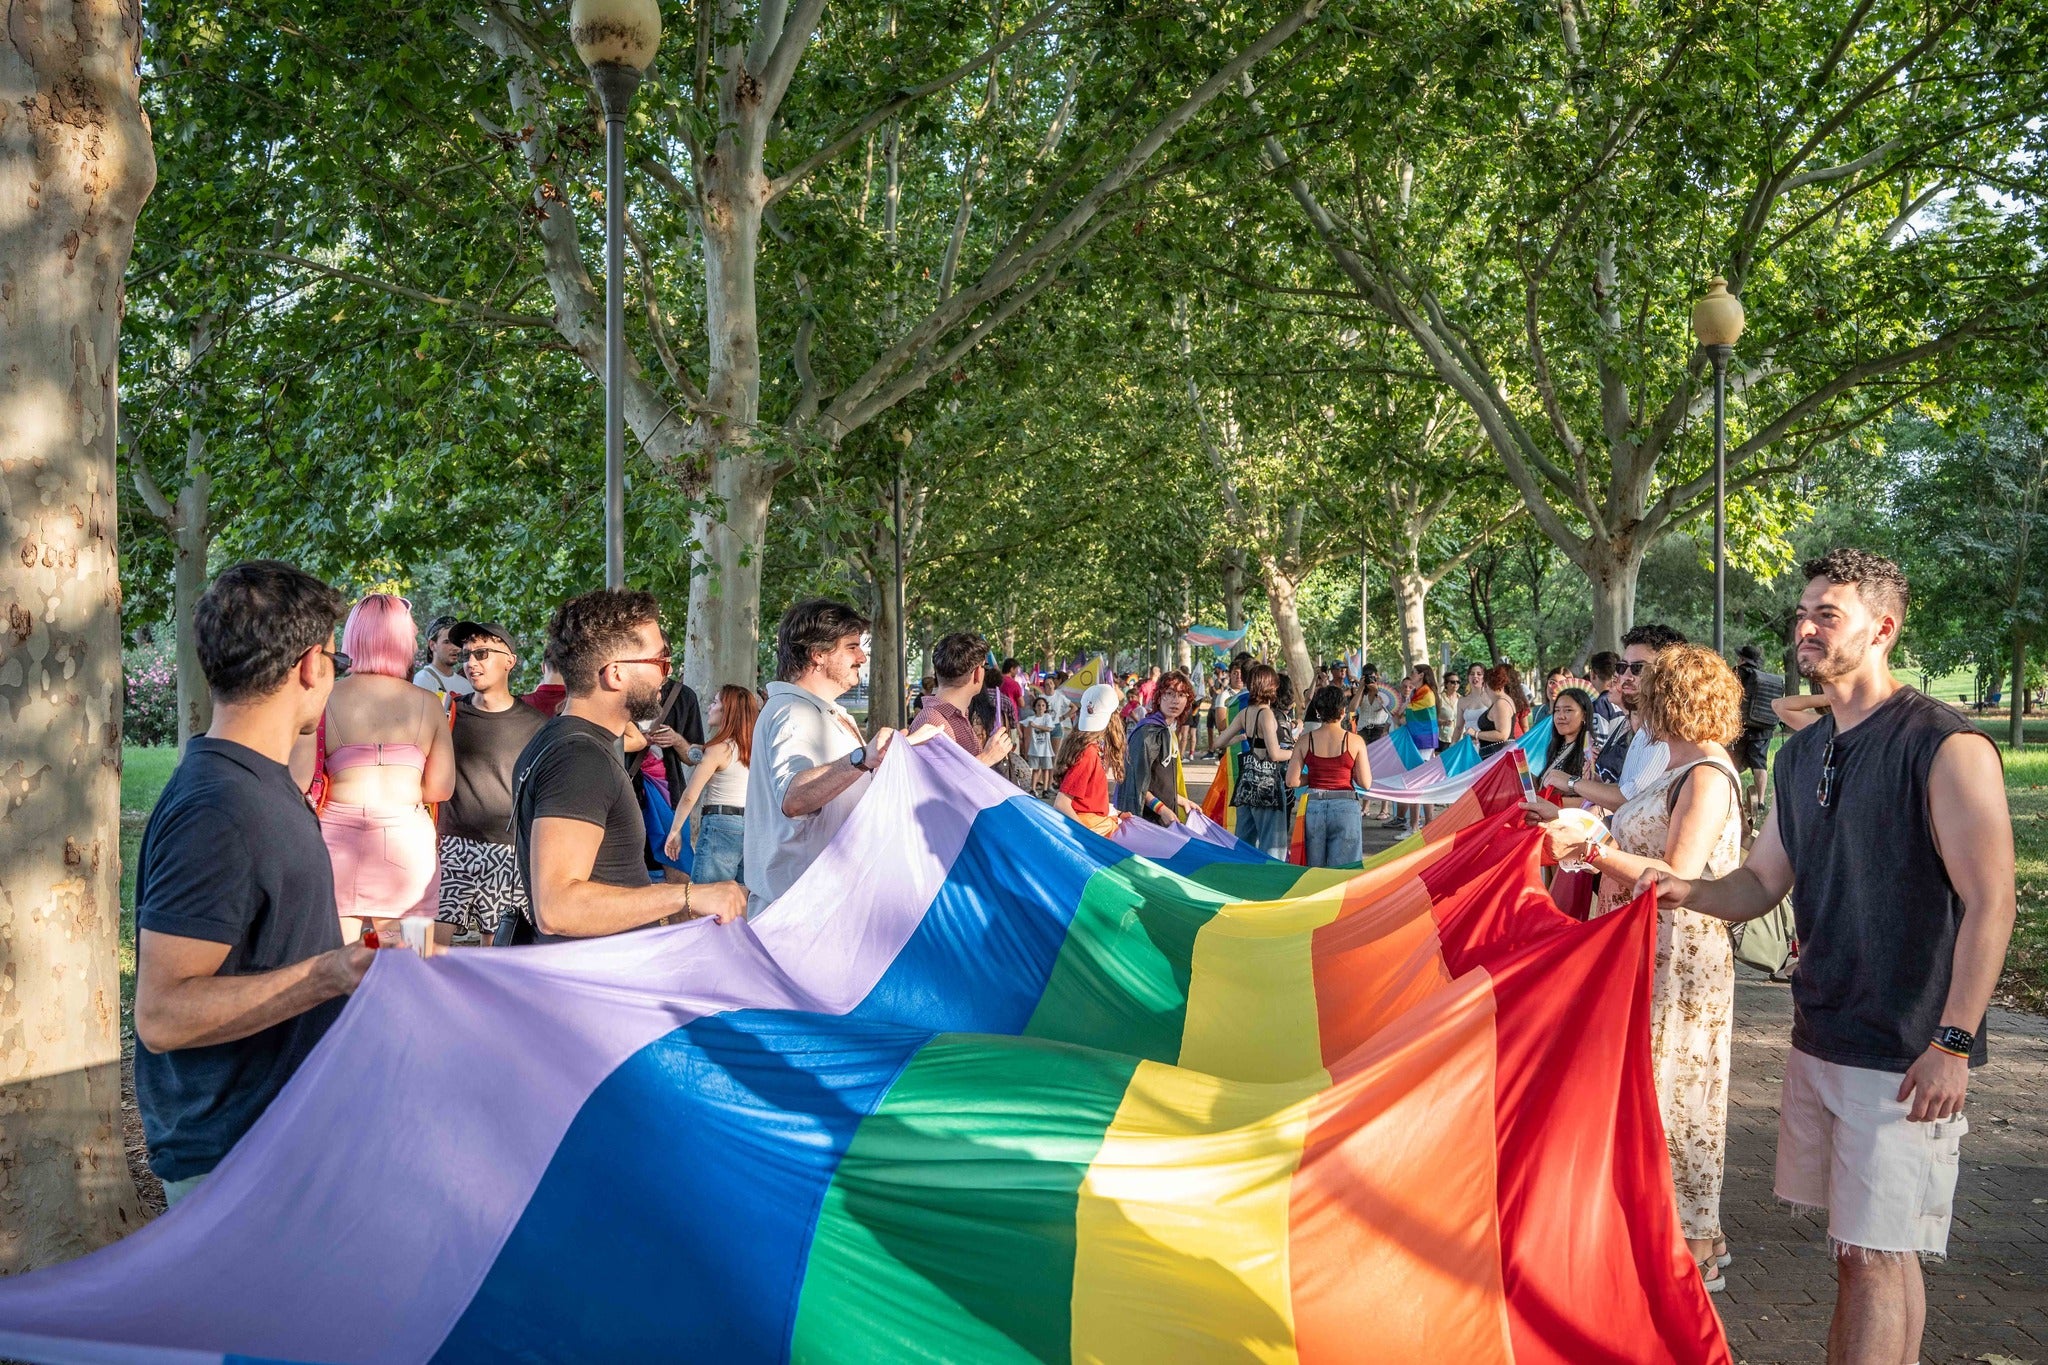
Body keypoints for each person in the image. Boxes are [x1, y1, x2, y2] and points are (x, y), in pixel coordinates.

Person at [1637, 550, 2014, 1364]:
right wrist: (1668, 885)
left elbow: (1993, 902)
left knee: (1876, 1258)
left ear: (1884, 628)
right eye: (1801, 613)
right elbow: (1758, 882)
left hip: (1908, 1050)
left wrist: (1952, 1041)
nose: (1804, 628)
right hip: (1822, 1032)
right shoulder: (1798, 755)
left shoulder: (1945, 746)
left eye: (1826, 615)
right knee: (1866, 1255)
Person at [134, 562, 431, 1208]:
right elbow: (161, 1014)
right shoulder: (217, 808)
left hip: (278, 1141)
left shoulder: (259, 782)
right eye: (333, 655)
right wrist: (332, 972)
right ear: (309, 666)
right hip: (233, 1162)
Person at [1527, 643, 1747, 1289]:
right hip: (1638, 941)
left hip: (1677, 952)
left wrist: (1590, 848)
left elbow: (1676, 876)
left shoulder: (1706, 773)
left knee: (1673, 1089)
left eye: (1642, 685)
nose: (1627, 690)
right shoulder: (1674, 769)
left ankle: (1695, 1242)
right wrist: (1577, 826)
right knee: (1641, 1085)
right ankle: (1652, 1226)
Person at [509, 589, 745, 940]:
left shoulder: (563, 741)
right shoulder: (579, 759)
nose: (666, 675)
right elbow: (557, 907)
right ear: (615, 674)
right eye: (660, 662)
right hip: (594, 985)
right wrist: (690, 895)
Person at [302, 594, 455, 943]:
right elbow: (442, 788)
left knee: (335, 968)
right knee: (411, 963)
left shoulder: (327, 697)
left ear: (354, 638)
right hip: (406, 842)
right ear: (404, 641)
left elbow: (300, 776)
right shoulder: (428, 705)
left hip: (336, 841)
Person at [745, 598, 900, 914]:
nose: (862, 656)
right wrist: (861, 759)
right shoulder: (793, 712)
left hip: (824, 906)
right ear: (817, 654)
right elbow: (794, 797)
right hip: (800, 913)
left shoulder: (822, 711)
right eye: (852, 647)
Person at [435, 622, 547, 946]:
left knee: (497, 956)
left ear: (509, 660)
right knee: (429, 956)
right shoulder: (450, 710)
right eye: (467, 655)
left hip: (508, 850)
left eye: (481, 653)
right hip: (452, 845)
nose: (471, 663)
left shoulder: (537, 725)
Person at [1579, 624, 1686, 800]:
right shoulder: (1643, 731)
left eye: (1639, 668)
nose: (1626, 676)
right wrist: (1595, 783)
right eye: (1622, 667)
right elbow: (1626, 790)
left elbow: (1628, 799)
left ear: (1669, 673)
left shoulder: (1667, 735)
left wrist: (1571, 783)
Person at [662, 684, 757, 884]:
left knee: (705, 897)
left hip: (721, 825)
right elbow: (698, 752)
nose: (709, 707)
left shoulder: (719, 750)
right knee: (741, 897)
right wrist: (679, 741)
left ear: (727, 711)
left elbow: (690, 795)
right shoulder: (753, 749)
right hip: (751, 826)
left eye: (715, 702)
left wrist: (675, 830)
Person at [1288, 685, 1372, 866]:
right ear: (1343, 711)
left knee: (1313, 869)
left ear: (1318, 711)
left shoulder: (1304, 740)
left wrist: (1317, 774)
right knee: (1344, 871)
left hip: (1313, 806)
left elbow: (1292, 780)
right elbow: (1365, 782)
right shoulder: (1355, 741)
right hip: (1346, 806)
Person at [914, 631, 1018, 768]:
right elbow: (938, 785)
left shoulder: (952, 716)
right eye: (984, 666)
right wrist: (987, 758)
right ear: (977, 673)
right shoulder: (934, 723)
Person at [1227, 663, 1295, 858]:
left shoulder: (1245, 713)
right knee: (1272, 846)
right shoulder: (1266, 714)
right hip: (1268, 785)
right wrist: (1296, 752)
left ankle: (1243, 882)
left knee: (1244, 843)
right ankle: (1271, 884)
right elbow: (1275, 754)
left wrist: (1242, 738)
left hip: (1246, 783)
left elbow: (1219, 742)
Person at [1119, 670, 1198, 825]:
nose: (1175, 701)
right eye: (1169, 693)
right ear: (1159, 697)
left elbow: (1159, 783)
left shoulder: (1169, 730)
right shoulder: (1148, 733)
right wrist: (1161, 809)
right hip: (1147, 820)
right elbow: (1136, 783)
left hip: (1164, 817)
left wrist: (1181, 801)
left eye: (1181, 695)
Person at [1053, 683, 1126, 836]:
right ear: (1115, 718)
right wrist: (1089, 838)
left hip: (1095, 823)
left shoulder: (1092, 749)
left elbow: (1088, 798)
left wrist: (1114, 812)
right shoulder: (1088, 753)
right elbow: (1061, 803)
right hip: (1091, 829)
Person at [1734, 643, 1785, 823]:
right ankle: (1761, 801)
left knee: (1733, 762)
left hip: (1741, 726)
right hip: (1764, 727)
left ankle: (1733, 799)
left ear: (1742, 659)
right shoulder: (1768, 679)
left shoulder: (1737, 674)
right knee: (1760, 764)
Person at [412, 615, 474, 699]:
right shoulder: (423, 680)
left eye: (457, 642)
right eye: (447, 642)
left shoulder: (467, 685)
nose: (455, 648)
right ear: (432, 645)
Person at [1541, 686, 1596, 781]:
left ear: (1584, 715)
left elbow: (1592, 792)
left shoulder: (1591, 752)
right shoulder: (1554, 746)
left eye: (1568, 710)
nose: (1560, 716)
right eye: (1557, 710)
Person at [1586, 650, 1626, 750]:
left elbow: (1597, 746)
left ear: (1593, 674)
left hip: (1608, 762)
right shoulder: (1628, 700)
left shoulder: (1600, 705)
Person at [1022, 694, 1059, 796]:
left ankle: (1045, 789)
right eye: (1038, 705)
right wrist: (1021, 734)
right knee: (1035, 769)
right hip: (1035, 749)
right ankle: (1033, 789)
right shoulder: (1031, 718)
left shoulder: (1047, 717)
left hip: (1045, 749)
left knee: (1046, 769)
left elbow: (1049, 728)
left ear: (1046, 708)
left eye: (1043, 705)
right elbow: (1020, 723)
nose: (1041, 707)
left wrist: (1036, 726)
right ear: (1035, 707)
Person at [1452, 663, 1493, 747]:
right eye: (1472, 674)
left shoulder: (1491, 698)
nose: (1475, 676)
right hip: (1469, 744)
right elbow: (1459, 727)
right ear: (1468, 677)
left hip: (1486, 745)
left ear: (1484, 677)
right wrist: (1453, 744)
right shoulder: (1462, 700)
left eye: (1479, 674)